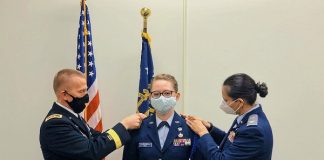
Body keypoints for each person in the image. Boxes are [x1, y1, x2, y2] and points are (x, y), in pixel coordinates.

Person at [39, 69, 147, 160]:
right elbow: (91, 151)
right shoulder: (55, 124)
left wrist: (129, 128)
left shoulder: (72, 117)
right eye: (81, 92)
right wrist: (124, 125)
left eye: (86, 90)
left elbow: (98, 139)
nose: (86, 96)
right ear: (65, 95)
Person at [185, 73, 273, 160]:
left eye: (226, 100)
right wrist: (210, 128)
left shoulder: (253, 130)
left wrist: (203, 133)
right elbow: (232, 144)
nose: (223, 103)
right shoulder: (248, 116)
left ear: (239, 102)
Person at [123, 74, 200, 160]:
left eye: (167, 93)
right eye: (156, 94)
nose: (161, 98)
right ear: (150, 97)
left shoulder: (190, 127)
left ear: (177, 96)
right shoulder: (138, 128)